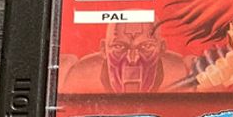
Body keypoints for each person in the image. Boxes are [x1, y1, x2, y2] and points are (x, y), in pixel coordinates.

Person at [61, 21, 191, 93]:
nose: (132, 59)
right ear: (103, 49)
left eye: (146, 46)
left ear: (162, 48)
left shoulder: (191, 72)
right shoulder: (65, 75)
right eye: (119, 46)